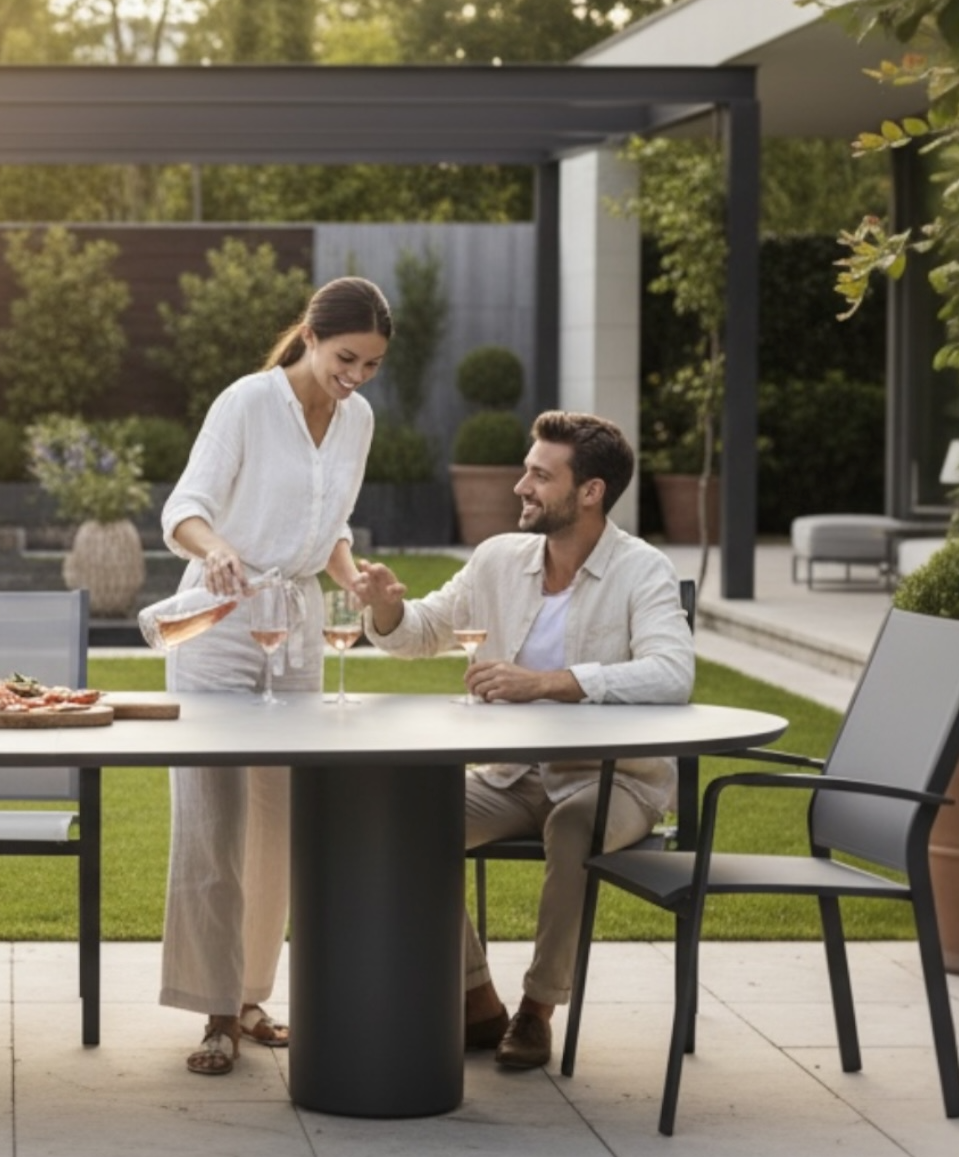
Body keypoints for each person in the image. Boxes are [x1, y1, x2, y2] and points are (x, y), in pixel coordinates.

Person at [351, 410, 694, 1071]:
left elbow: (672, 673)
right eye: (526, 470)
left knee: (573, 826)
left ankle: (537, 1011)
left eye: (540, 475)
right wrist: (388, 607)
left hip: (614, 780)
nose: (521, 487)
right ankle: (478, 1001)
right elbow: (422, 632)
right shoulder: (498, 560)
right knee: (409, 824)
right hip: (513, 775)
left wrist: (549, 683)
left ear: (590, 491)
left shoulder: (642, 570)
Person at [159, 275, 391, 1075]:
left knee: (278, 822)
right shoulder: (247, 403)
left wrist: (352, 574)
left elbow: (330, 526)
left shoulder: (358, 420)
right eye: (346, 358)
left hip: (294, 627)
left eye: (371, 365)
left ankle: (252, 996)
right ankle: (215, 1011)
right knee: (213, 819)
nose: (356, 377)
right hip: (220, 623)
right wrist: (216, 548)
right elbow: (183, 509)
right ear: (311, 335)